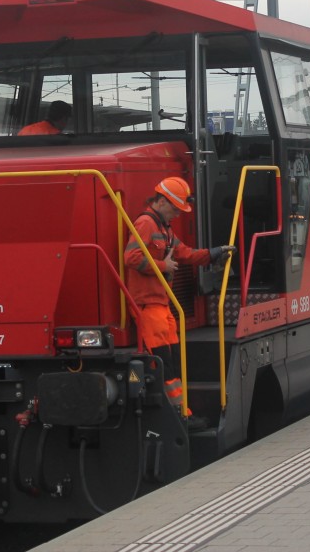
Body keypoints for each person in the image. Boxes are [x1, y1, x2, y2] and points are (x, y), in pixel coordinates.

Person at [123, 176, 233, 429]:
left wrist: (212, 254)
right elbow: (131, 257)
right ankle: (177, 417)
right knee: (163, 362)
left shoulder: (165, 229)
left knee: (173, 361)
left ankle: (182, 412)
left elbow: (184, 253)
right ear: (161, 201)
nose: (177, 214)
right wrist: (163, 266)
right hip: (148, 305)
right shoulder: (146, 223)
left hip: (161, 305)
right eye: (175, 209)